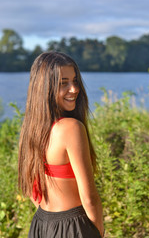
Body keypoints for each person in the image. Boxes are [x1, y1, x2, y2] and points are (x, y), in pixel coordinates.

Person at [18, 51, 104, 238]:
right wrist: (98, 232)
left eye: (75, 81)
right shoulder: (71, 128)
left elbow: (32, 190)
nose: (74, 89)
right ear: (45, 87)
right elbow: (89, 198)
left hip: (41, 223)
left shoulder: (32, 128)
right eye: (63, 83)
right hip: (74, 226)